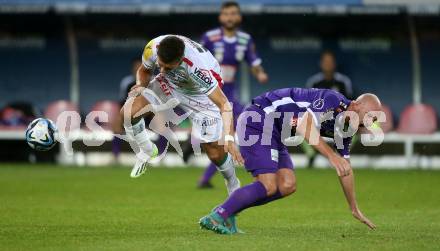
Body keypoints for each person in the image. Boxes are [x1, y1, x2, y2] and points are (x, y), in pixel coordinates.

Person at [199, 88, 379, 234]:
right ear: (355, 105)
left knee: (287, 185)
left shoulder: (346, 129)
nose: (370, 124)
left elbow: (345, 168)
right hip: (258, 119)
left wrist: (354, 208)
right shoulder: (331, 100)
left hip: (275, 132)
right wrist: (332, 156)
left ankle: (228, 209)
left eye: (375, 121)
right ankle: (218, 215)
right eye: (370, 117)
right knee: (268, 185)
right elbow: (303, 125)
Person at [120, 35, 244, 195]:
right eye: (161, 65)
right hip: (170, 83)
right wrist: (140, 86)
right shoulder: (153, 48)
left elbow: (225, 104)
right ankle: (148, 149)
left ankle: (233, 183)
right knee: (128, 112)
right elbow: (144, 70)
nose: (162, 70)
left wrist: (229, 138)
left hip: (199, 95)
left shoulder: (198, 69)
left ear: (181, 60)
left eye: (168, 67)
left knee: (214, 152)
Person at [197, 1, 268, 188]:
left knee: (236, 132)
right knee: (219, 137)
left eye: (233, 13)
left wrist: (259, 73)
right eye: (226, 14)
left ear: (239, 17)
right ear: (221, 17)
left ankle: (206, 178)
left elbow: (253, 62)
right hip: (208, 93)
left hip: (229, 95)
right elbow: (196, 61)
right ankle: (198, 149)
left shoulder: (245, 40)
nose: (230, 17)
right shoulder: (209, 38)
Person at [304, 51, 354, 167]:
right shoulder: (314, 82)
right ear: (321, 64)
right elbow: (308, 106)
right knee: (298, 126)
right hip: (318, 121)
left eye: (330, 62)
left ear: (334, 64)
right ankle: (312, 154)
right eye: (325, 62)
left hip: (338, 121)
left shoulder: (343, 82)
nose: (328, 64)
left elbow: (349, 104)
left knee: (355, 127)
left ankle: (341, 154)